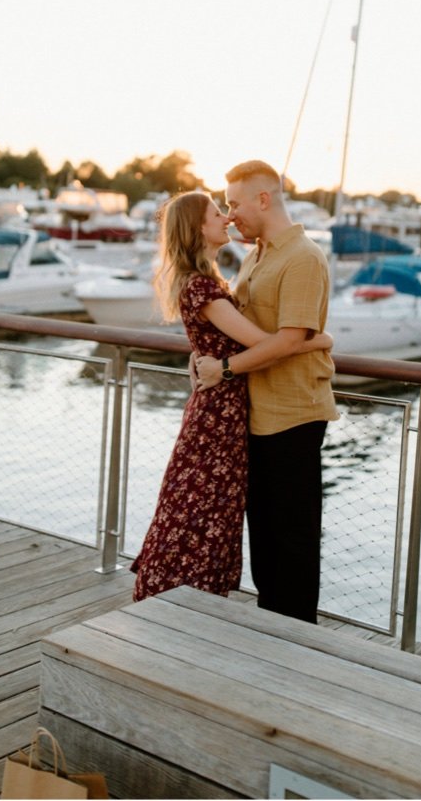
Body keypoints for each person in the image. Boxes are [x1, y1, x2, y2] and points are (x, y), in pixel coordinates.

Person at [131, 191, 333, 602]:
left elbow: (228, 339)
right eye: (217, 213)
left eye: (228, 209)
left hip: (228, 407)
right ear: (197, 227)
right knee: (204, 507)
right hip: (219, 413)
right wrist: (321, 340)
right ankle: (183, 594)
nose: (226, 218)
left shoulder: (209, 281)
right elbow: (263, 342)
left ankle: (191, 593)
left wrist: (205, 356)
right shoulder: (203, 286)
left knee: (207, 506)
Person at [194, 160, 338, 623]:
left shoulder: (303, 258)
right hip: (257, 415)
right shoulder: (256, 255)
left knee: (292, 544)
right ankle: (271, 637)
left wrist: (226, 370)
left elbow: (291, 340)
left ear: (263, 199)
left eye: (234, 203)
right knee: (266, 544)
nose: (230, 213)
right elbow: (251, 330)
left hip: (294, 416)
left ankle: (296, 645)